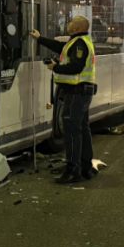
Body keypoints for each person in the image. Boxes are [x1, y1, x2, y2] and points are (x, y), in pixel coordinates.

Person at [30, 16, 98, 184]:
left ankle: (73, 170)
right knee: (82, 129)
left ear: (77, 27)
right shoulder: (76, 42)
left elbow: (76, 67)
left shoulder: (80, 43)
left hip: (77, 92)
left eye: (71, 22)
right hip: (79, 92)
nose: (68, 23)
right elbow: (60, 48)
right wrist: (40, 38)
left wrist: (56, 67)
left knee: (72, 131)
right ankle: (85, 167)